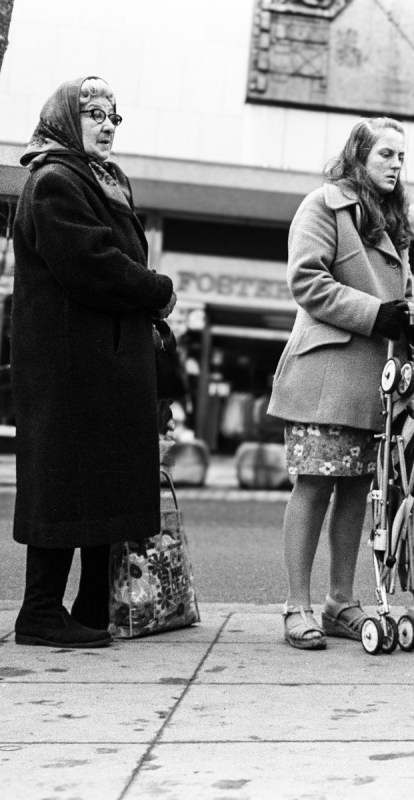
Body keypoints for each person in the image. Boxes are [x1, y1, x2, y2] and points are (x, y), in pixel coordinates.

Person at [11, 77, 176, 648]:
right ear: (64, 120)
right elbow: (92, 264)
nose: (107, 125)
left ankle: (89, 607)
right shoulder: (55, 180)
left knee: (101, 482)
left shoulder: (103, 181)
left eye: (114, 115)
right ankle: (38, 614)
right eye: (94, 114)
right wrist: (157, 289)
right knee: (64, 480)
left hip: (101, 364)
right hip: (69, 368)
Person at [268, 117, 414, 650]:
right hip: (325, 375)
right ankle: (297, 605)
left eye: (401, 157)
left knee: (358, 490)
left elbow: (395, 301)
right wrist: (377, 314)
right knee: (314, 483)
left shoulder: (391, 221)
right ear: (358, 156)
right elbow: (306, 281)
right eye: (385, 155)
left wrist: (407, 327)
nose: (396, 165)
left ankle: (339, 602)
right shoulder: (323, 205)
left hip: (375, 384)